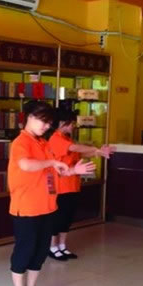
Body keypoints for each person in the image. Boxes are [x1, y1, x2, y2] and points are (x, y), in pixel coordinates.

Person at [8, 101, 96, 286]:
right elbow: (26, 165)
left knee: (40, 252)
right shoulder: (21, 142)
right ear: (29, 117)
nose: (46, 126)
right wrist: (51, 163)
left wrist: (73, 171)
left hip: (47, 206)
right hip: (26, 208)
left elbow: (55, 172)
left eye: (49, 123)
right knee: (25, 250)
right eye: (43, 121)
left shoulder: (43, 143)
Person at [47, 107, 116, 261]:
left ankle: (62, 246)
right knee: (57, 218)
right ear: (63, 123)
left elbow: (80, 152)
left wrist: (98, 152)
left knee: (67, 218)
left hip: (72, 185)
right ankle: (52, 247)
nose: (74, 126)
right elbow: (74, 148)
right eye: (72, 123)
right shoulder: (56, 138)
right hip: (60, 187)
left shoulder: (67, 138)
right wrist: (95, 149)